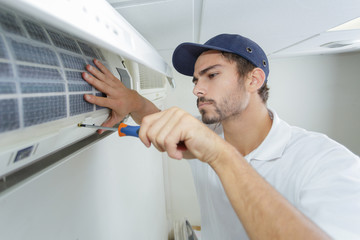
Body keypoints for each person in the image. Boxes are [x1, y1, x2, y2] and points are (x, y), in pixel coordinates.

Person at [82, 34, 360, 239]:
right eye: (195, 79)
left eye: (211, 75)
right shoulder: (208, 135)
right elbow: (161, 121)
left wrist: (219, 154)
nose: (197, 90)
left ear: (253, 80)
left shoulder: (326, 162)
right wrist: (134, 101)